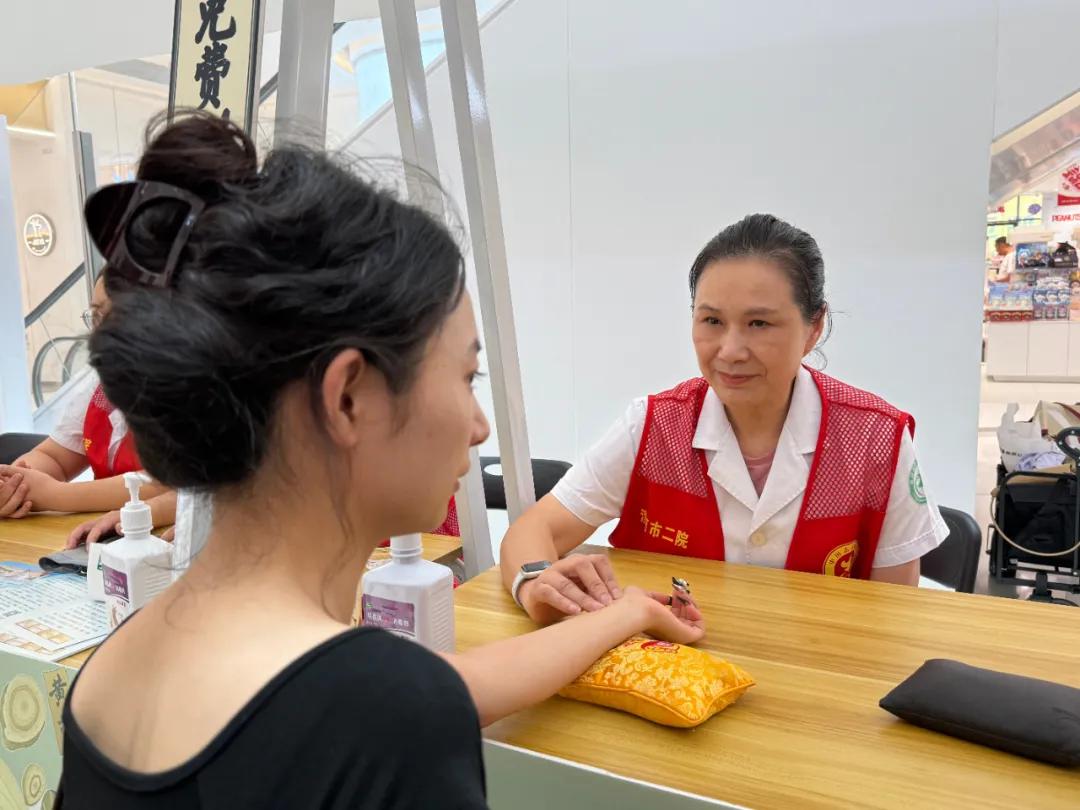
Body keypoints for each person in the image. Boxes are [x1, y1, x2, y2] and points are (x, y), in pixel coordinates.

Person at [59, 113, 703, 809]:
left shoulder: (119, 661)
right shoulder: (380, 712)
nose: (480, 426)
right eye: (466, 377)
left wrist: (624, 614)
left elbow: (441, 689)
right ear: (348, 398)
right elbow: (397, 706)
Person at [500, 214, 948, 625]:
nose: (730, 351)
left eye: (759, 324)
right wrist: (534, 583)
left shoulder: (876, 438)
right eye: (712, 320)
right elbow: (534, 529)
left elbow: (894, 611)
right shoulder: (653, 426)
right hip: (674, 663)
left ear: (814, 327)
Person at [0, 276, 171, 520]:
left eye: (122, 314)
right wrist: (16, 484)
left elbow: (174, 483)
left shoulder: (193, 388)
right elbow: (54, 457)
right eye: (98, 315)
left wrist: (55, 495)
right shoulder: (98, 387)